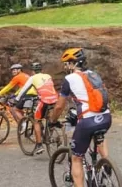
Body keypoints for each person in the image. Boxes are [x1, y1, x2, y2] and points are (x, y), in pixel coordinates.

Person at [48, 48, 112, 187]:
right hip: (106, 117)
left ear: (72, 64)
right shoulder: (94, 74)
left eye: (66, 63)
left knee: (76, 157)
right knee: (99, 135)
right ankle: (106, 163)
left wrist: (52, 121)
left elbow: (59, 106)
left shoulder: (69, 79)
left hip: (87, 120)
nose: (65, 66)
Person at [15, 62, 59, 155]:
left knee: (36, 121)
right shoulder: (48, 76)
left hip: (44, 100)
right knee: (50, 119)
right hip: (55, 99)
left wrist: (17, 100)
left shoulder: (32, 78)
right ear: (41, 70)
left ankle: (39, 145)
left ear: (33, 71)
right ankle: (50, 133)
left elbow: (24, 89)